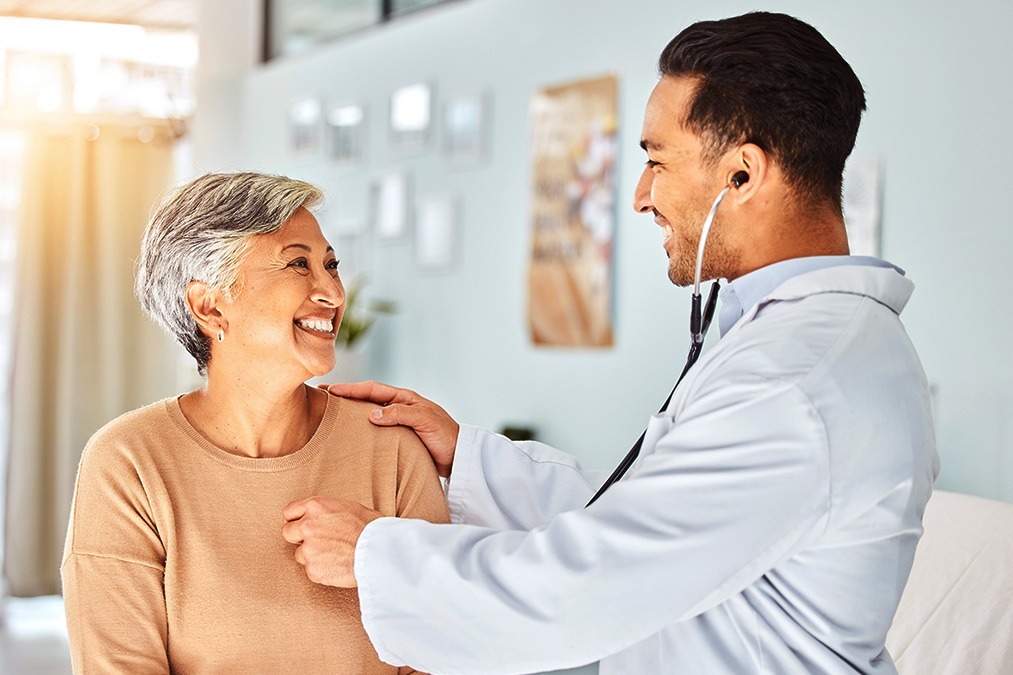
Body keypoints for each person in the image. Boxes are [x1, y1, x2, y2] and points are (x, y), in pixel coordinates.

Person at [283, 12, 938, 674]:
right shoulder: (810, 348)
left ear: (742, 175)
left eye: (655, 159)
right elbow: (650, 525)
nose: (640, 195)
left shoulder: (794, 381)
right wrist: (469, 458)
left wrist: (373, 553)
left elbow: (583, 590)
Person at [61, 172, 448, 673]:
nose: (331, 291)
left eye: (331, 265)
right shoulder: (128, 463)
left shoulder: (391, 446)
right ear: (210, 306)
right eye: (298, 265)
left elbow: (443, 646)